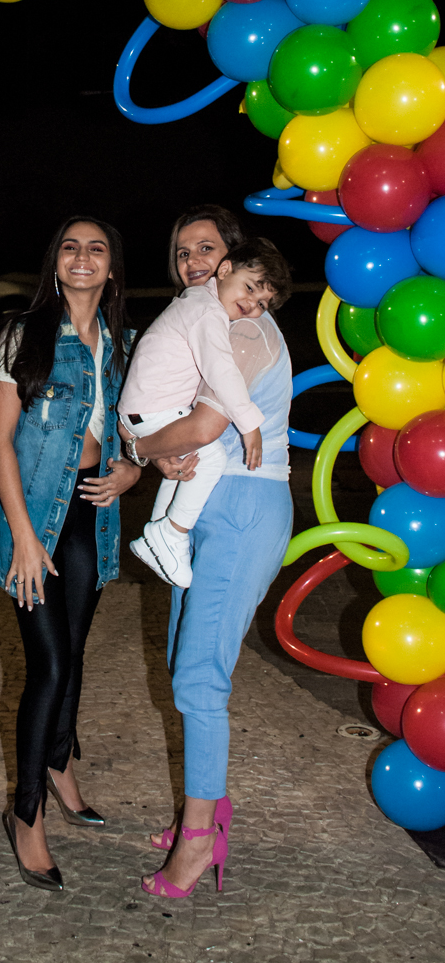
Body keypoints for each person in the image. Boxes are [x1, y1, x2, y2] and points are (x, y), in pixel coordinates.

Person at [121, 205, 293, 901]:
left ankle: (198, 842)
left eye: (206, 247)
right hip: (215, 512)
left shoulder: (242, 327)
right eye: (181, 248)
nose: (192, 259)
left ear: (231, 258)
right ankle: (207, 811)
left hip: (245, 509)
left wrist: (138, 448)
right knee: (181, 663)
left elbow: (201, 424)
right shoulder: (207, 324)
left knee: (198, 679)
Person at [0, 217, 139, 891]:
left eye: (97, 247)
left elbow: (138, 432)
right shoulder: (23, 334)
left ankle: (61, 763)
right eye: (68, 245)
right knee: (50, 663)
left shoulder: (126, 345)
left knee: (76, 647)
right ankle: (26, 815)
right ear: (54, 261)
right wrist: (24, 537)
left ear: (112, 268)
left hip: (91, 518)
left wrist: (132, 470)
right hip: (31, 521)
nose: (81, 256)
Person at [120, 238, 292, 586]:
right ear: (225, 270)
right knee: (209, 455)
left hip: (148, 411)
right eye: (249, 288)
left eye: (262, 302)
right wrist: (249, 424)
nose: (251, 304)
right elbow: (221, 370)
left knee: (188, 465)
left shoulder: (200, 304)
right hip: (154, 409)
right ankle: (171, 533)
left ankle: (161, 536)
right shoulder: (207, 312)